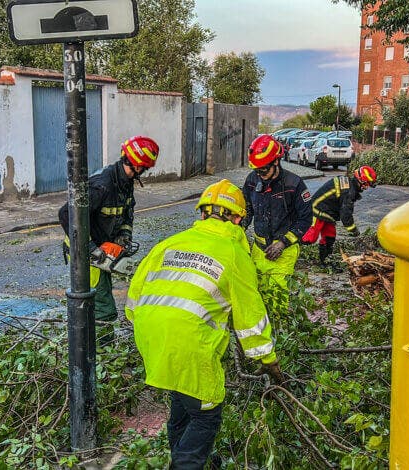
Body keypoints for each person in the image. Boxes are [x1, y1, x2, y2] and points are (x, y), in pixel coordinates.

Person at [126, 179, 282, 469]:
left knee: (183, 400)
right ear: (238, 219)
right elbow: (251, 318)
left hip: (151, 337)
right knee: (206, 416)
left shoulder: (169, 243)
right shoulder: (234, 254)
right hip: (191, 345)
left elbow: (133, 298)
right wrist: (268, 360)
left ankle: (192, 459)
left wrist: (152, 329)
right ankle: (185, 464)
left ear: (202, 213)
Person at [58, 135, 159, 327]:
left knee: (98, 296)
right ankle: (99, 342)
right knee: (103, 308)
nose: (144, 172)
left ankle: (89, 334)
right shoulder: (102, 184)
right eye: (144, 168)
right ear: (138, 165)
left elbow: (127, 213)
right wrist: (90, 248)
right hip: (84, 251)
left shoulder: (124, 182)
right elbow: (65, 214)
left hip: (102, 246)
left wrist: (124, 236)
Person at [241, 134, 313, 314]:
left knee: (276, 301)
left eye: (263, 171)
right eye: (257, 171)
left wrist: (282, 243)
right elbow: (246, 209)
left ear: (276, 162)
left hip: (284, 253)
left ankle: (277, 327)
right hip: (258, 251)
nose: (260, 175)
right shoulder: (252, 180)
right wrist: (238, 229)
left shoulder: (294, 184)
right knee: (257, 298)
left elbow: (305, 219)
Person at [301, 165, 378, 265]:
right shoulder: (348, 191)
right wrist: (354, 231)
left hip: (328, 213)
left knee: (329, 237)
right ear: (359, 180)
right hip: (317, 210)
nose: (366, 187)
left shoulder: (349, 184)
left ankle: (325, 262)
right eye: (366, 184)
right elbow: (346, 214)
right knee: (309, 237)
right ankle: (296, 255)